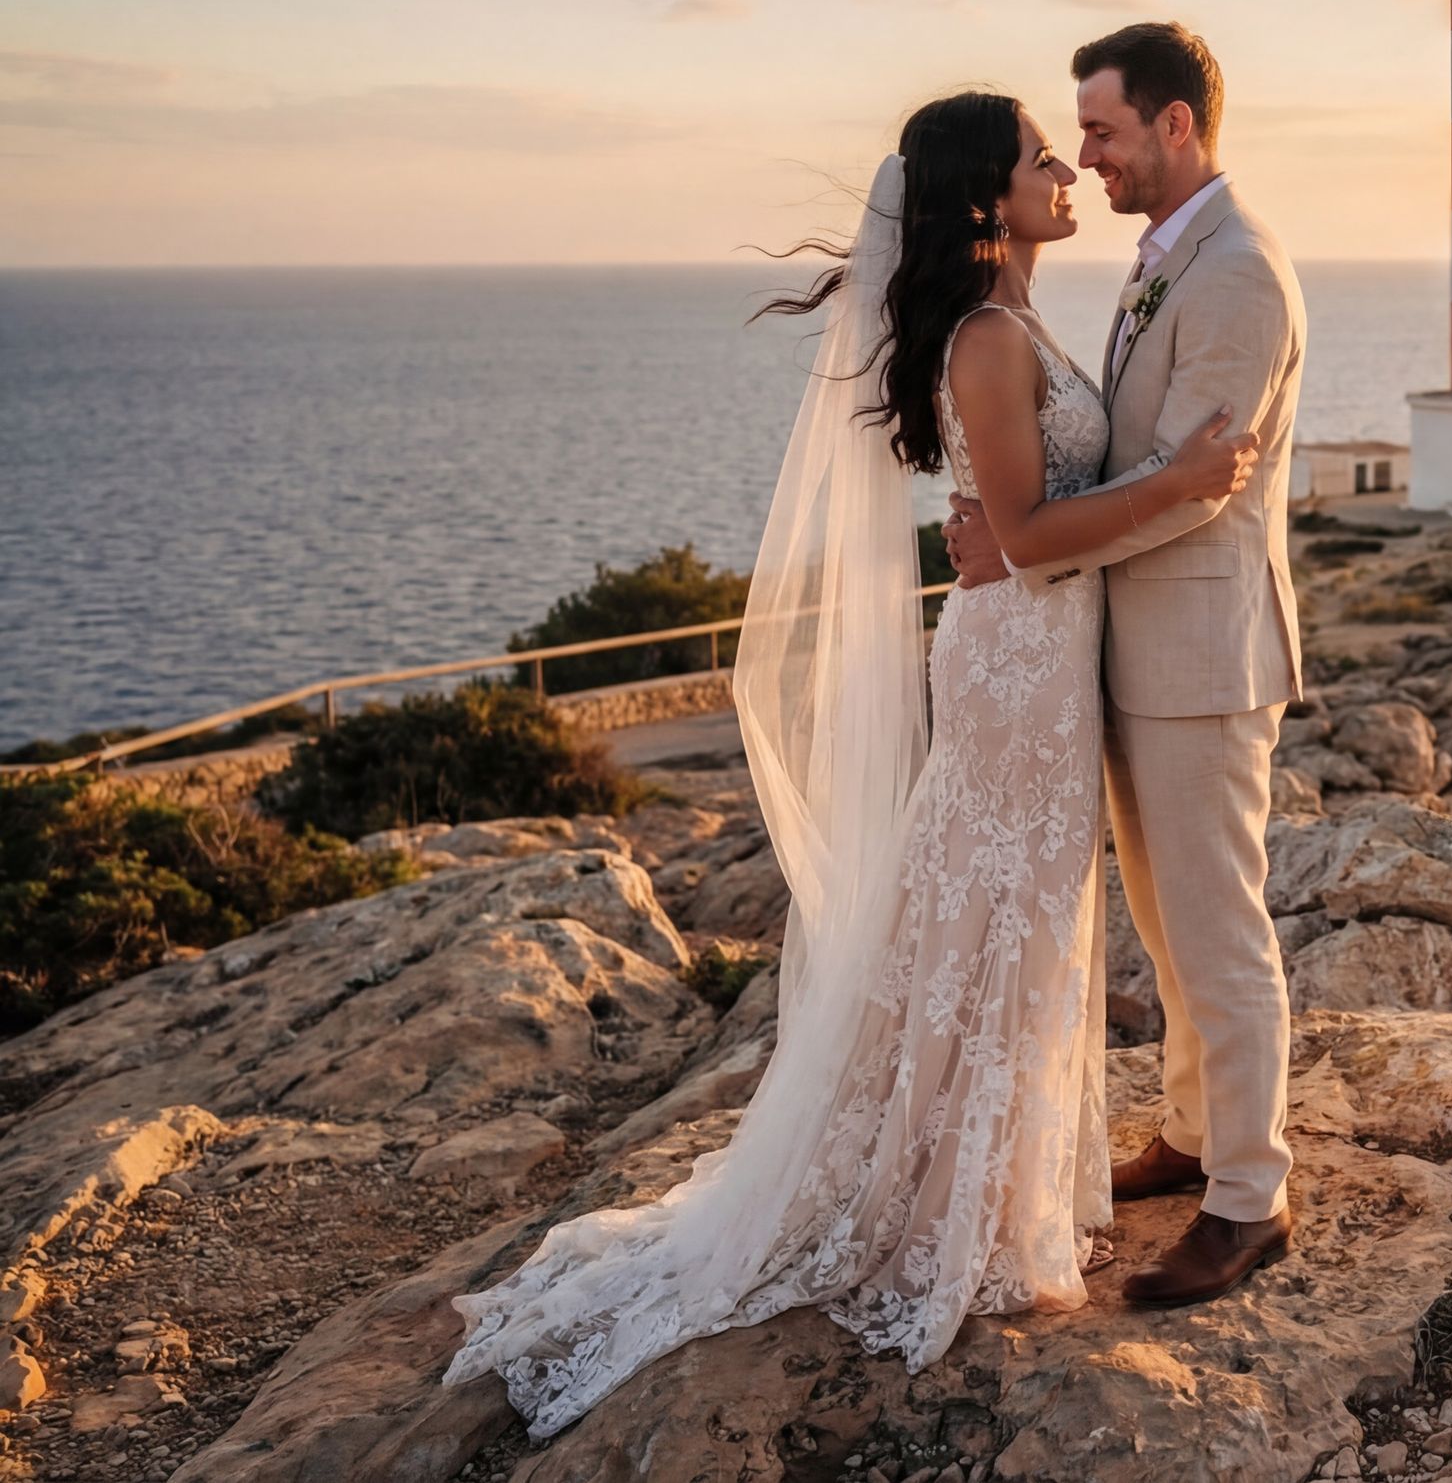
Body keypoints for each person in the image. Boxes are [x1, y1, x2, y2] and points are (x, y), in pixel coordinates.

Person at [441, 89, 1259, 1438]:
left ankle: (987, 1189)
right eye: (1037, 159)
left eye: (1070, 151)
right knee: (996, 918)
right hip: (1012, 673)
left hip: (1040, 665)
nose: (1065, 170)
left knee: (1017, 919)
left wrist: (1060, 523)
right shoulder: (991, 339)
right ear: (986, 199)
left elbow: (1021, 524)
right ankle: (951, 1209)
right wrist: (1183, 489)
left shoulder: (1018, 320)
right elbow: (1028, 527)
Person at [941, 20, 1309, 1308]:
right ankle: (1199, 1132)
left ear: (1175, 126)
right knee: (1165, 919)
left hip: (1201, 652)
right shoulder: (1168, 259)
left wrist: (1029, 543)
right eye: (1074, 137)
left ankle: (1249, 1197)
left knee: (1217, 926)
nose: (1085, 155)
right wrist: (1010, 518)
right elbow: (1125, 455)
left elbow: (1204, 483)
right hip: (1122, 646)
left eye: (1099, 131)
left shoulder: (1239, 272)